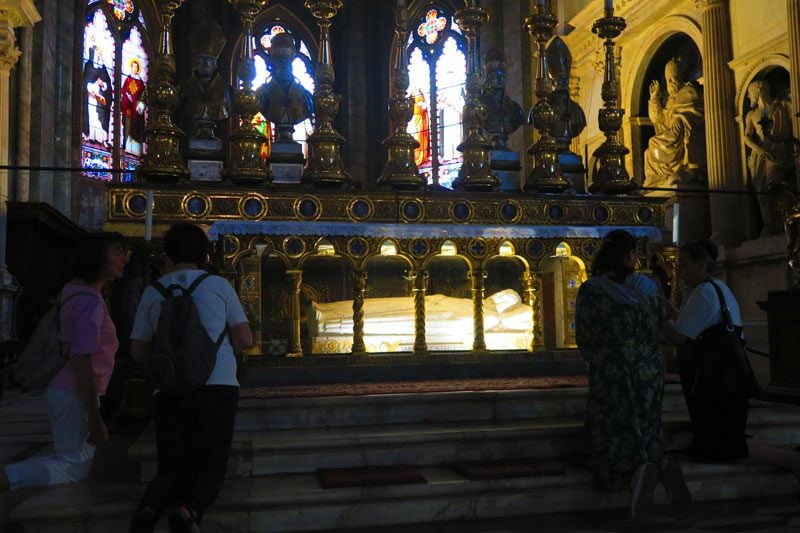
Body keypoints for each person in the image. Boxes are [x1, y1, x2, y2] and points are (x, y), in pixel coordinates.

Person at [129, 223, 252, 533]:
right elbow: (244, 338)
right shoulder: (219, 286)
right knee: (210, 467)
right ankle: (188, 511)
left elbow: (137, 351)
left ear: (168, 253)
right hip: (219, 384)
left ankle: (149, 508)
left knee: (171, 467)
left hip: (169, 388)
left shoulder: (152, 291)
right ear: (205, 252)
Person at [575, 230, 691, 521]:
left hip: (612, 367)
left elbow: (585, 336)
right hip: (649, 365)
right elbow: (662, 323)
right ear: (629, 256)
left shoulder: (593, 289)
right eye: (635, 253)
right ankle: (655, 463)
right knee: (648, 418)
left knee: (615, 422)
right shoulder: (650, 286)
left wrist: (597, 359)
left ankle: (625, 475)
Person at [0, 232, 127, 491]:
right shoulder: (89, 302)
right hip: (73, 390)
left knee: (71, 459)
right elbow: (82, 361)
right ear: (97, 258)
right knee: (73, 466)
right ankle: (6, 478)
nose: (123, 259)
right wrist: (94, 415)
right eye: (117, 252)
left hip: (66, 388)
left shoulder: (73, 291)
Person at [663, 240, 800, 475]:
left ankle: (792, 460)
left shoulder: (704, 293)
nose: (680, 272)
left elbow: (679, 336)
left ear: (700, 264)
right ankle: (791, 459)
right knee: (720, 441)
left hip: (716, 382)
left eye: (684, 265)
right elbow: (695, 324)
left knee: (724, 444)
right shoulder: (718, 288)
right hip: (727, 380)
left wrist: (653, 317)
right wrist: (668, 308)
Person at [743, 79, 796, 236]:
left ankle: (783, 225)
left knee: (776, 188)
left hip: (778, 152)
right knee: (762, 193)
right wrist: (757, 148)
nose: (748, 97)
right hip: (761, 154)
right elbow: (747, 136)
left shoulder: (781, 106)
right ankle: (770, 226)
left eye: (750, 93)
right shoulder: (752, 114)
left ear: (757, 91)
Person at [643, 58, 705, 188]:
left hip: (682, 134)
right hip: (672, 135)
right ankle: (656, 178)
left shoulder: (689, 92)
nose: (671, 83)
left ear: (681, 77)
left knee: (653, 142)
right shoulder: (669, 99)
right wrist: (654, 98)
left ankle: (692, 169)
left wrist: (680, 118)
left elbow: (694, 114)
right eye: (668, 80)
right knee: (648, 152)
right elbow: (658, 119)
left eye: (673, 79)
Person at [121, 58, 147, 156]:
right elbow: (123, 92)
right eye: (133, 66)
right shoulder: (127, 80)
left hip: (137, 110)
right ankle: (126, 147)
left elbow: (145, 96)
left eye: (137, 67)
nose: (135, 68)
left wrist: (140, 105)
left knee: (137, 128)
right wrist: (127, 100)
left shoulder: (141, 83)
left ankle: (136, 150)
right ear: (131, 68)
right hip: (128, 108)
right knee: (128, 126)